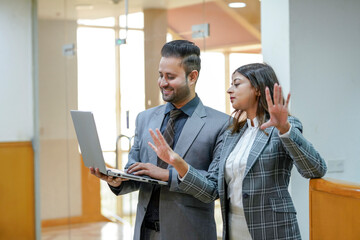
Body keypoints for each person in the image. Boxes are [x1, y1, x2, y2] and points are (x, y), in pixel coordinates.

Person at [148, 63, 327, 240]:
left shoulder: (285, 127)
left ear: (257, 88)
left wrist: (284, 128)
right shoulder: (231, 134)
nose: (229, 90)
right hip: (234, 230)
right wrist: (177, 162)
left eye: (236, 83)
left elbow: (315, 169)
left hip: (273, 230)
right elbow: (210, 190)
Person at [90, 40, 229, 240]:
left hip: (189, 233)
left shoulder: (221, 124)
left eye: (170, 77)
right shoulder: (145, 118)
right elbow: (135, 170)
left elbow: (212, 190)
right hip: (144, 232)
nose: (162, 83)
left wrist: (167, 174)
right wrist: (118, 180)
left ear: (192, 77)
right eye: (160, 75)